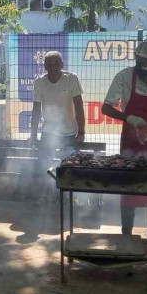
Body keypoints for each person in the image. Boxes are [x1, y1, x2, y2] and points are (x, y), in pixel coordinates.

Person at [102, 41, 147, 256]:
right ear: (135, 58)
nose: (143, 66)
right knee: (129, 185)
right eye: (140, 61)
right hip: (130, 138)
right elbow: (106, 107)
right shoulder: (124, 76)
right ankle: (126, 234)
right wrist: (128, 117)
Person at [29, 51, 85, 200]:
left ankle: (67, 196)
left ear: (62, 64)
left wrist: (82, 132)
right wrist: (33, 134)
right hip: (49, 131)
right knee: (44, 164)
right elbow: (36, 110)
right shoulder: (39, 82)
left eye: (56, 63)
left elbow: (79, 106)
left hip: (69, 131)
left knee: (68, 166)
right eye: (49, 64)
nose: (53, 67)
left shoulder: (71, 79)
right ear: (44, 66)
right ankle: (47, 194)